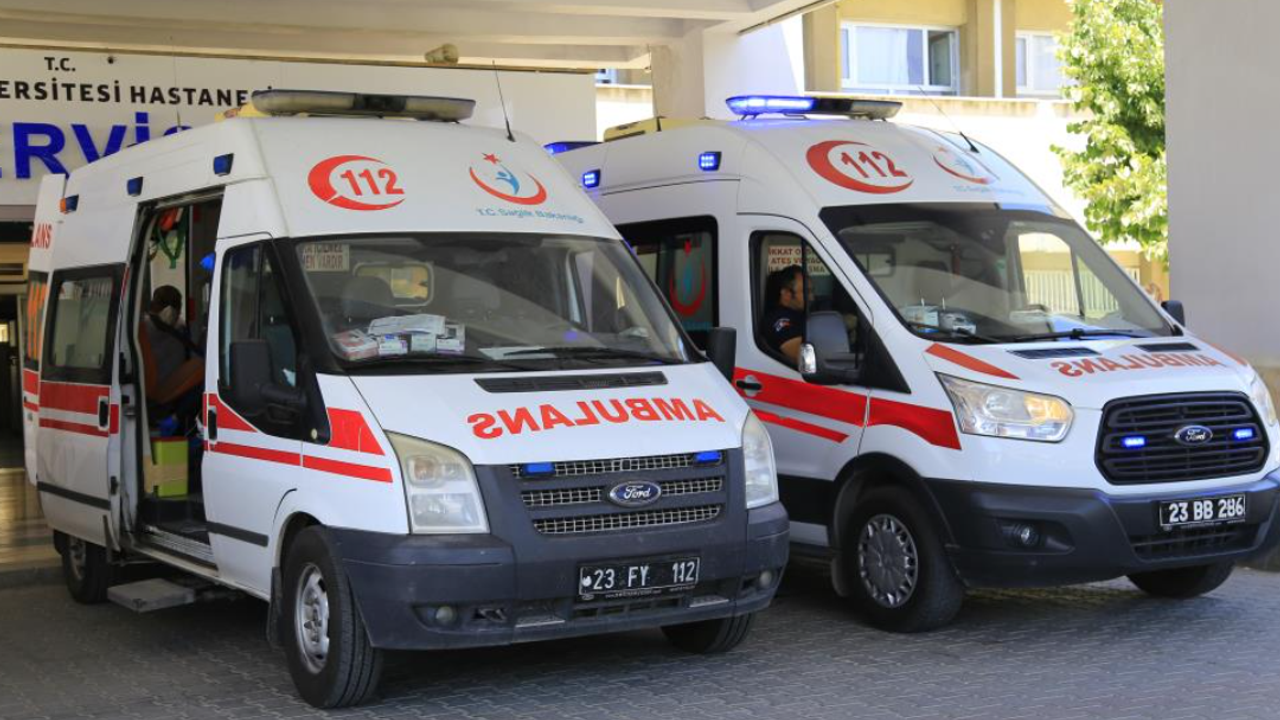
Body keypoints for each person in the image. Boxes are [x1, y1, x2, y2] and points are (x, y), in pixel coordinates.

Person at [762, 264, 811, 364]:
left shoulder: (799, 313)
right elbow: (803, 355)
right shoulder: (778, 319)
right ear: (786, 294)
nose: (811, 297)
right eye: (806, 292)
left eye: (811, 292)